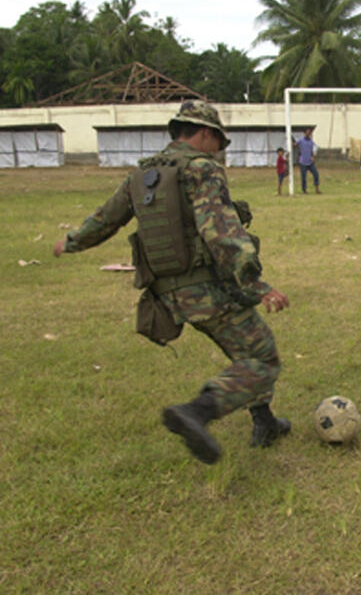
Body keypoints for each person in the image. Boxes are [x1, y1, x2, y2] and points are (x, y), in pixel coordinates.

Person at [52, 100, 291, 464]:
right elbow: (221, 231)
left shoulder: (141, 175)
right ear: (205, 133)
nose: (218, 152)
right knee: (262, 358)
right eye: (218, 142)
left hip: (167, 297)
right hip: (210, 290)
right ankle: (197, 412)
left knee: (242, 346)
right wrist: (257, 285)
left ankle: (265, 422)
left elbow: (105, 219)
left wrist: (70, 242)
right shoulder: (202, 170)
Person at [296, 127, 321, 194]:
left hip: (310, 161)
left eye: (309, 132)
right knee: (303, 177)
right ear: (305, 133)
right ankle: (304, 190)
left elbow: (312, 151)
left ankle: (317, 189)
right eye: (307, 132)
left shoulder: (311, 142)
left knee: (316, 174)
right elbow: (295, 144)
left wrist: (313, 157)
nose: (308, 133)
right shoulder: (301, 140)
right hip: (303, 162)